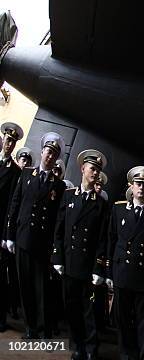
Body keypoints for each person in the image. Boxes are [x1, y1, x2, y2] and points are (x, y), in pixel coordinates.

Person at [5, 132, 67, 339]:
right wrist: (9, 235)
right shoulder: (26, 175)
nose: (49, 156)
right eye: (48, 151)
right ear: (42, 152)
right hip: (22, 238)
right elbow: (15, 205)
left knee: (41, 288)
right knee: (25, 287)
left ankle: (43, 328)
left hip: (42, 243)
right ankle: (30, 327)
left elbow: (58, 219)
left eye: (54, 154)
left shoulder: (58, 186)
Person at [51, 149, 109, 360]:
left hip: (87, 265)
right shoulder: (68, 196)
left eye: (98, 170)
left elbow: (102, 239)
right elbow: (59, 229)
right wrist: (57, 257)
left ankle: (91, 348)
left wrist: (98, 267)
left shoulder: (101, 204)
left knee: (88, 310)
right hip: (68, 261)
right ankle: (77, 345)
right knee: (71, 308)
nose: (95, 173)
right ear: (83, 169)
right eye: (92, 169)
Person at [106, 166, 144, 360]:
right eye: (138, 184)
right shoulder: (118, 209)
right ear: (132, 186)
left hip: (142, 274)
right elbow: (111, 241)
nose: (142, 189)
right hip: (122, 271)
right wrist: (107, 271)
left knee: (142, 319)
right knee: (122, 319)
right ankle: (126, 353)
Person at [0, 122, 23, 332]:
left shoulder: (15, 171)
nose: (9, 144)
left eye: (13, 142)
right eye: (7, 140)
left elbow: (11, 205)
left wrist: (6, 234)